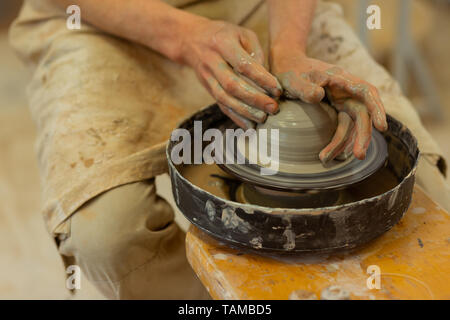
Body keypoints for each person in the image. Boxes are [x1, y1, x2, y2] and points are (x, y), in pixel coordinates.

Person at [9, 0, 449, 299]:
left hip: (257, 8)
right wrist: (182, 35)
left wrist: (290, 48)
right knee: (108, 233)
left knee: (423, 192)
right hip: (100, 18)